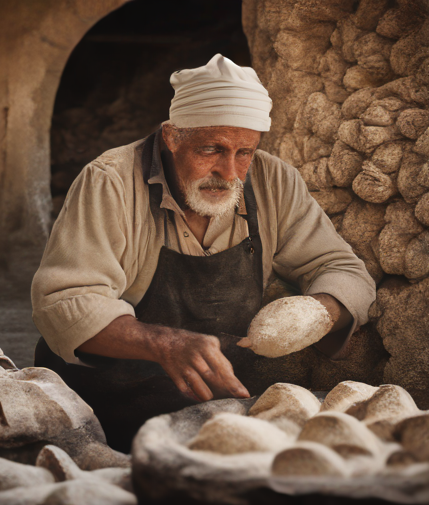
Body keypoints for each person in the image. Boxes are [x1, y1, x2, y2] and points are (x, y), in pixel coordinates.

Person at [32, 54, 375, 451]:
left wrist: (319, 311)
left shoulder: (274, 180)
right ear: (172, 137)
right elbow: (64, 301)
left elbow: (341, 268)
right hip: (103, 406)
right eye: (211, 149)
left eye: (244, 152)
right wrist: (163, 344)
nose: (229, 172)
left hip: (215, 407)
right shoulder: (110, 182)